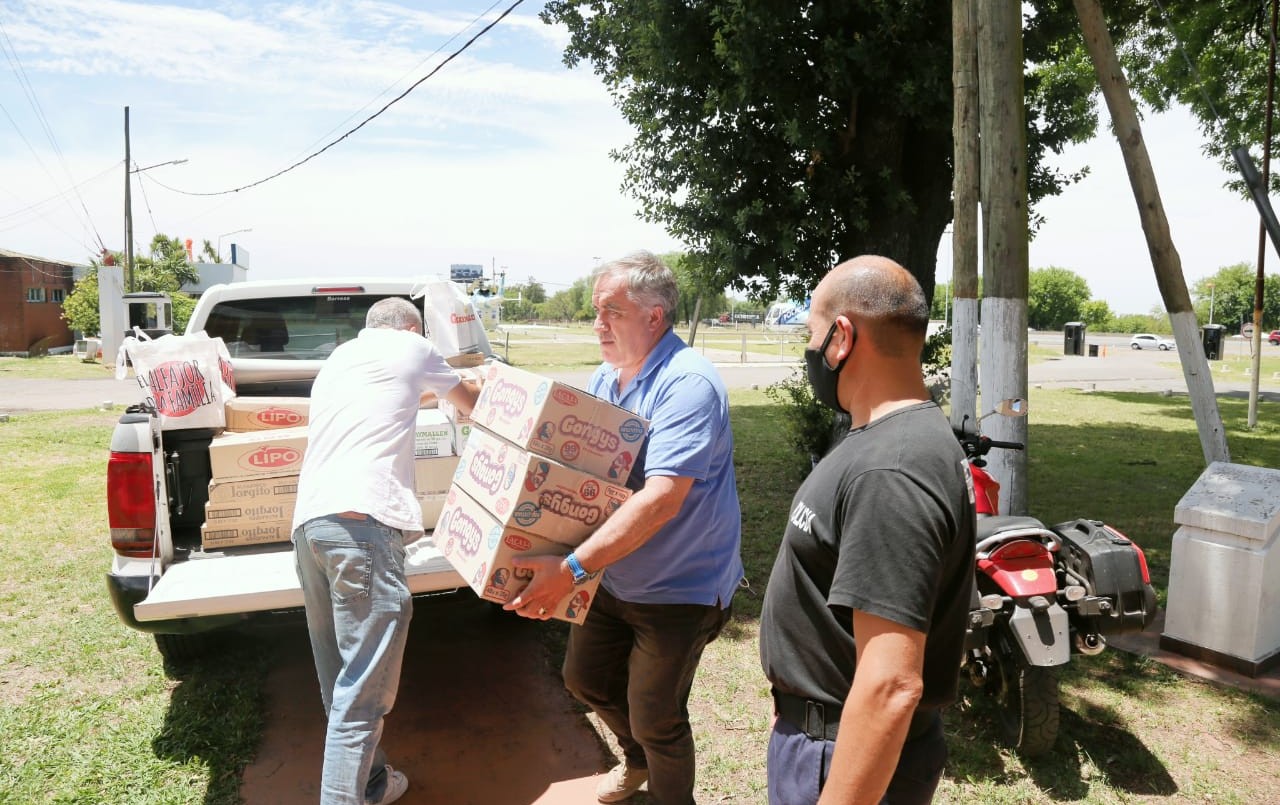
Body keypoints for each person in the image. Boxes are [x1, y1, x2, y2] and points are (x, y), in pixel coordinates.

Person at [504, 251, 744, 805]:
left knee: (657, 716)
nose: (598, 324)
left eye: (611, 310)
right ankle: (636, 761)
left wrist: (569, 569)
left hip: (679, 589)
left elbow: (661, 500)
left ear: (654, 316)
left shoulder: (687, 385)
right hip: (613, 575)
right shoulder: (606, 378)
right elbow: (581, 465)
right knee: (584, 681)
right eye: (596, 311)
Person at [758, 256, 975, 805]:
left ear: (841, 338)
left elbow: (891, 685)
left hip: (841, 756)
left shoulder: (892, 470)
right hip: (821, 734)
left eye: (811, 332)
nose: (809, 349)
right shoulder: (885, 437)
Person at [291, 297, 480, 805]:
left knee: (341, 684)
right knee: (363, 699)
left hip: (311, 529)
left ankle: (373, 785)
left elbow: (389, 402)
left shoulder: (339, 360)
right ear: (413, 328)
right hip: (362, 528)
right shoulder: (414, 347)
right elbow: (475, 405)